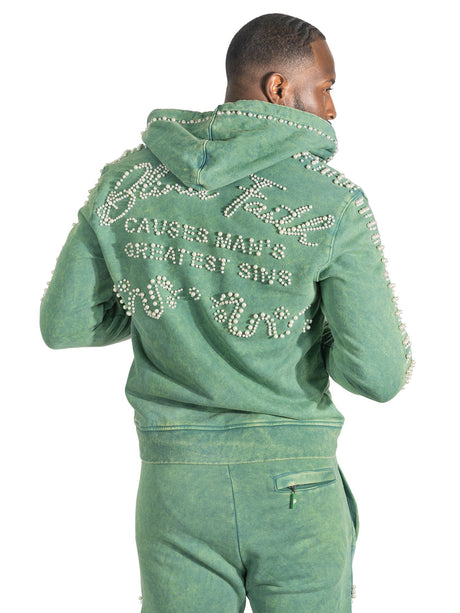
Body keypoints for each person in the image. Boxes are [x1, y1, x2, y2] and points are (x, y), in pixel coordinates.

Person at [40, 13, 413, 613]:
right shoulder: (331, 202)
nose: (331, 109)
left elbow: (65, 324)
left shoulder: (126, 182)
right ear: (278, 88)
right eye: (325, 88)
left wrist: (169, 304)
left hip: (175, 488)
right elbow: (379, 375)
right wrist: (309, 329)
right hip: (294, 487)